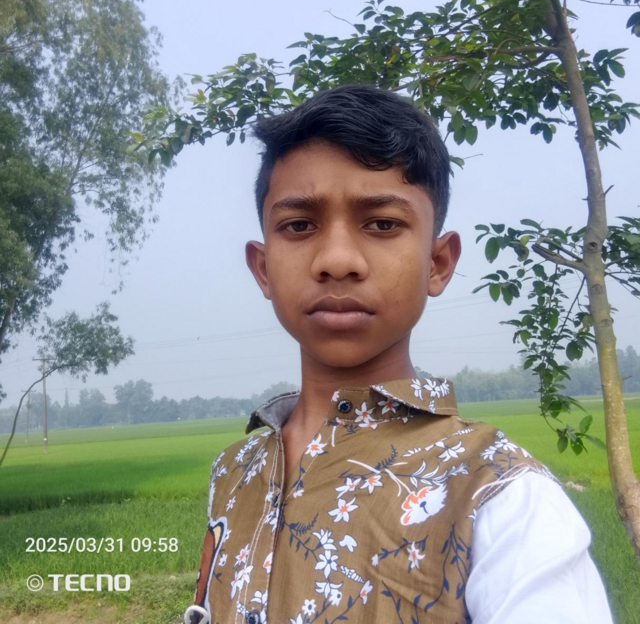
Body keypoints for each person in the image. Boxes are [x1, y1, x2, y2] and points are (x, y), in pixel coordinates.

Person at [183, 84, 613, 624]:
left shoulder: (498, 494)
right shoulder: (236, 470)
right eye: (299, 225)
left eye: (383, 224)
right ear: (263, 268)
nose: (337, 260)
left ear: (438, 263)